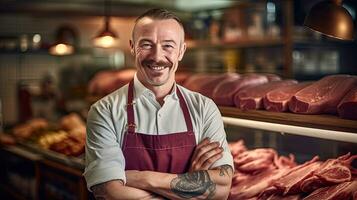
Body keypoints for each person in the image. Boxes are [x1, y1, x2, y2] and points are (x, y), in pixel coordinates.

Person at [84, 8, 234, 199]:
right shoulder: (104, 111)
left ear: (181, 51)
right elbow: (110, 192)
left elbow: (221, 190)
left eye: (168, 46)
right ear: (132, 47)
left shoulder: (204, 108)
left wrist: (143, 178)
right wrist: (188, 183)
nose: (157, 56)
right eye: (146, 44)